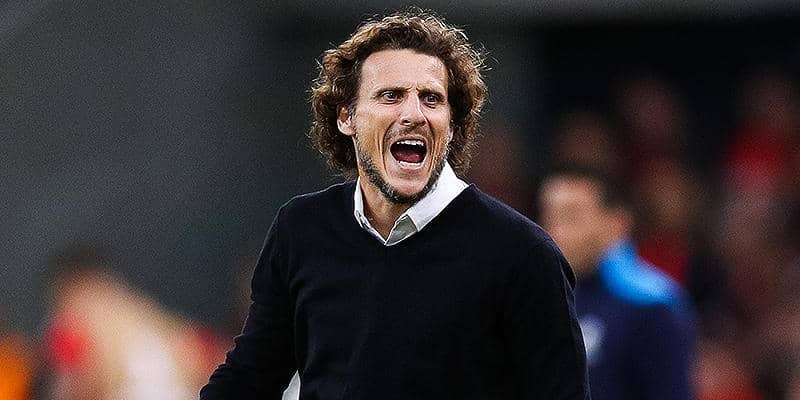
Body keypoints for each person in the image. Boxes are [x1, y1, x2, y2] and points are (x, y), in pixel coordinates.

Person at [201, 10, 589, 399]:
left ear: (452, 124)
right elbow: (249, 378)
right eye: (391, 96)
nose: (413, 114)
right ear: (346, 117)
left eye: (431, 99)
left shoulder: (522, 253)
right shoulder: (301, 228)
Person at [538, 165, 696, 400]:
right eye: (550, 217)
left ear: (616, 223)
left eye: (571, 217)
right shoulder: (542, 299)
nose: (556, 231)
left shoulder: (651, 305)